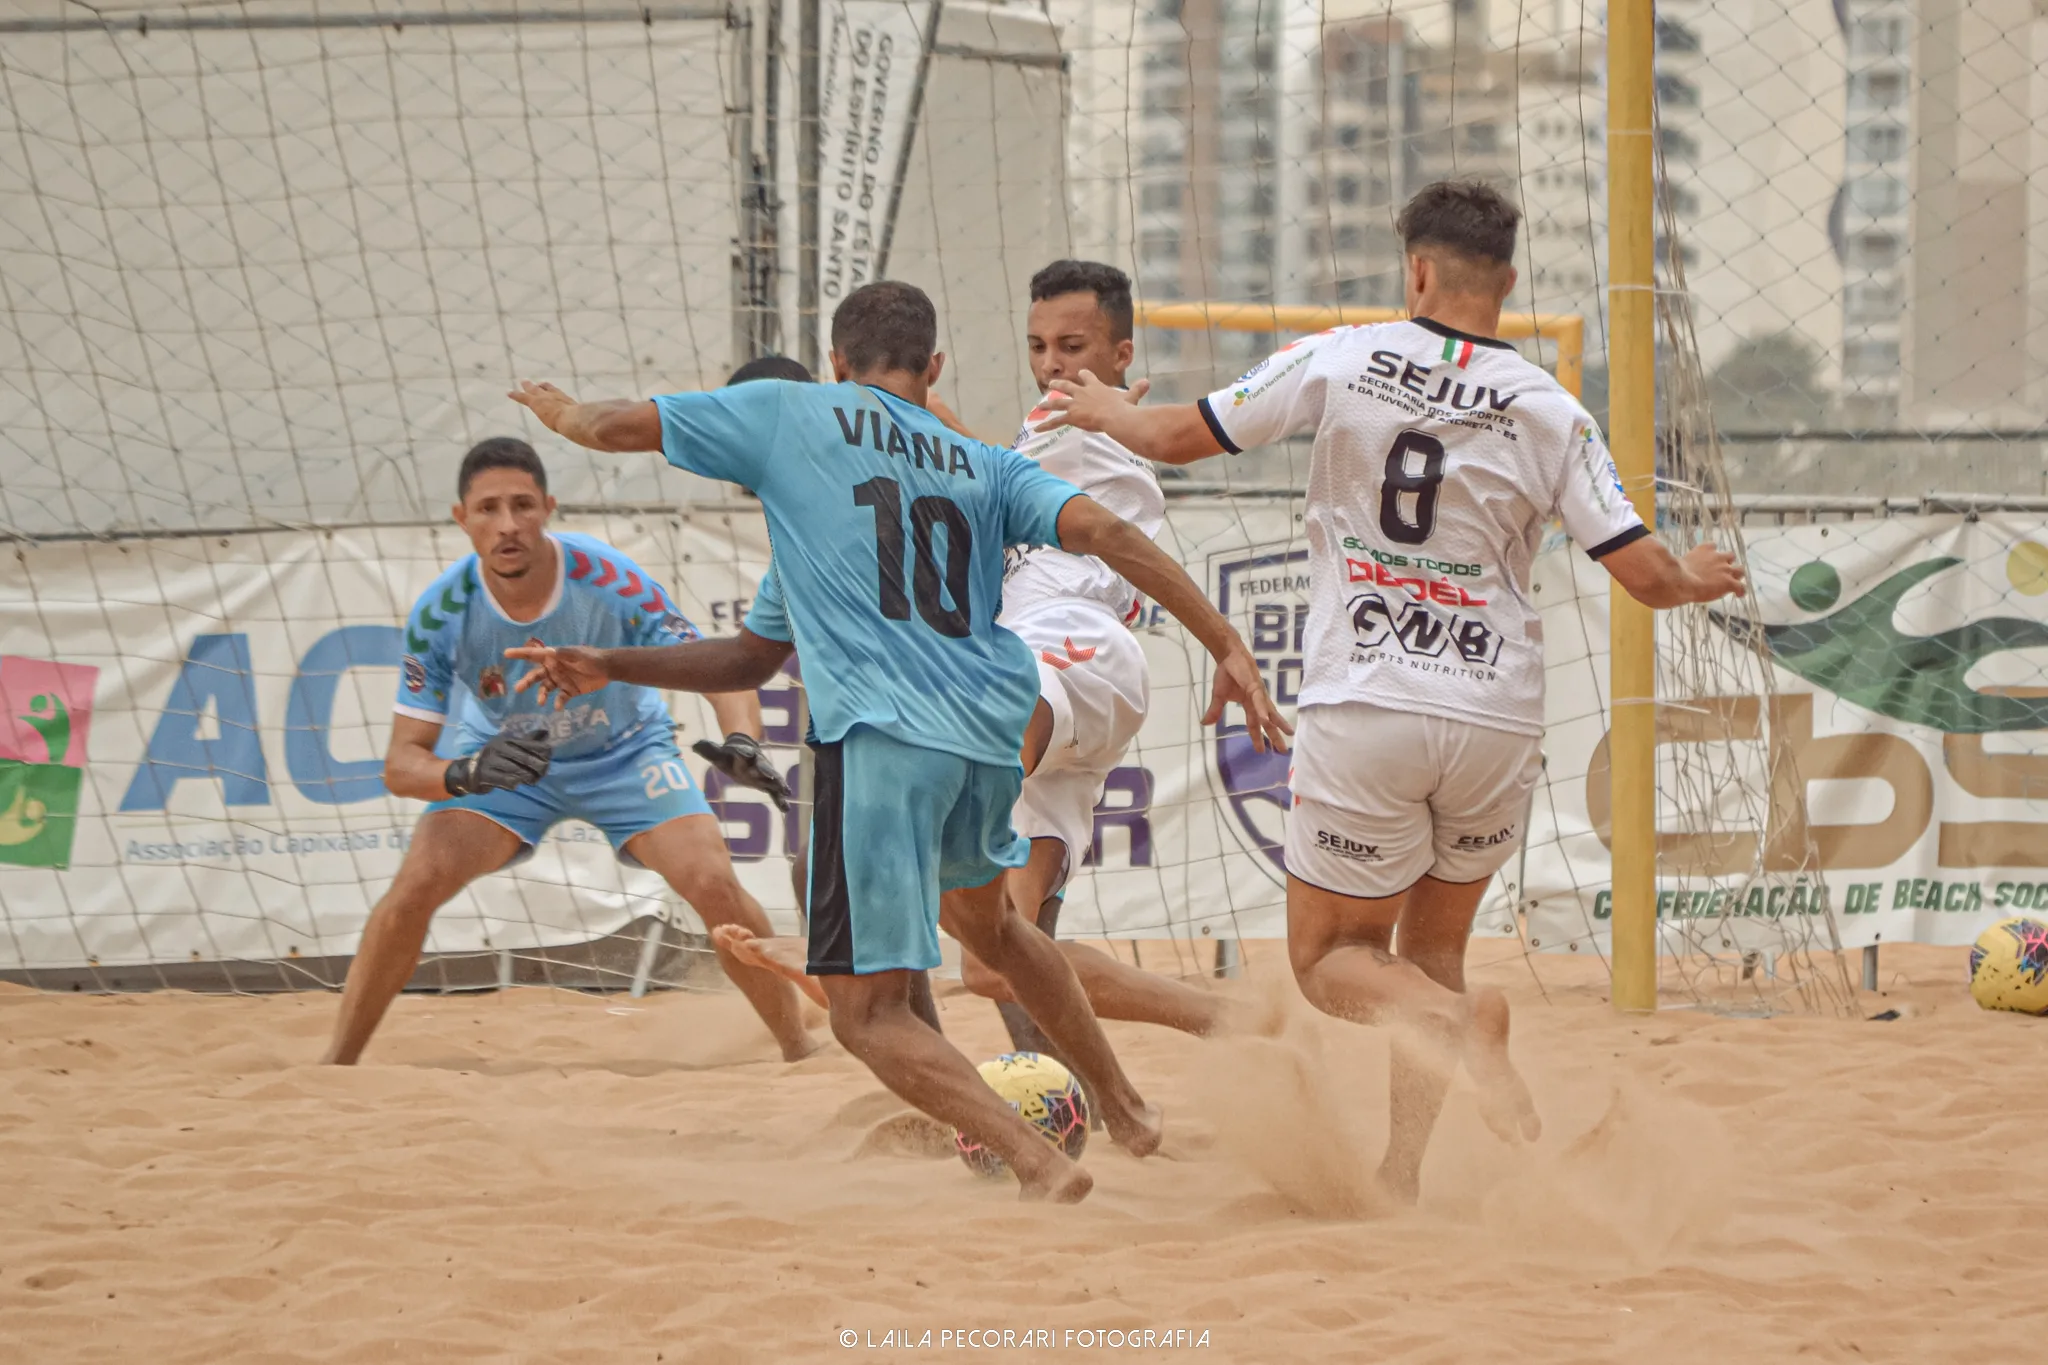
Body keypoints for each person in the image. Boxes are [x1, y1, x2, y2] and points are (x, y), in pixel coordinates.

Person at [1037, 180, 1747, 1202]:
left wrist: (1105, 408)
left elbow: (1177, 438)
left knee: (1333, 962)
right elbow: (1644, 578)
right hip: (1497, 716)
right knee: (1429, 960)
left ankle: (1460, 1037)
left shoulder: (1343, 353)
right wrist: (1693, 577)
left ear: (1413, 269)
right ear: (1503, 282)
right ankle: (1402, 1170)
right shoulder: (1551, 408)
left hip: (1371, 700)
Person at [507, 280, 1289, 1202]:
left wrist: (563, 415)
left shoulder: (792, 411)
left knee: (865, 1016)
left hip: (886, 735)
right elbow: (757, 653)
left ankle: (1034, 1156)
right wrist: (1226, 640)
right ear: (933, 369)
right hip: (991, 729)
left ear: (836, 365)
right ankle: (1123, 1102)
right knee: (993, 929)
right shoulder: (975, 458)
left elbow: (612, 427)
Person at [319, 438, 817, 1065]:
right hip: (508, 765)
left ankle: (798, 1048)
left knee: (712, 881)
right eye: (489, 509)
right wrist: (466, 771)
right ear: (461, 518)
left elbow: (719, 666)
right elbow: (401, 764)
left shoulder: (609, 579)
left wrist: (743, 738)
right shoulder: (441, 612)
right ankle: (339, 1064)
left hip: (626, 755)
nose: (507, 525)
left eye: (523, 505)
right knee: (415, 886)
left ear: (549, 508)